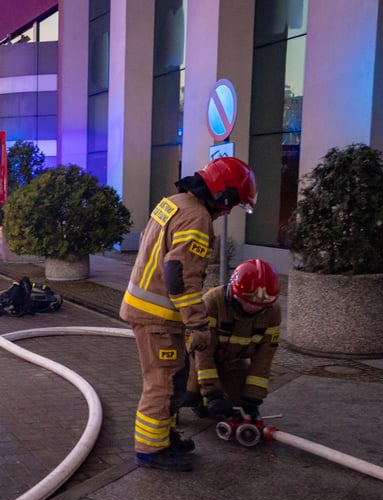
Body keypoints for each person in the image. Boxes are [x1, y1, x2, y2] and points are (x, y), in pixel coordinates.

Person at [118, 157, 257, 471]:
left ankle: (164, 437)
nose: (228, 211)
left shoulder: (175, 202)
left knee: (175, 378)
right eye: (232, 204)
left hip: (151, 310)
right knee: (163, 383)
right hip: (159, 317)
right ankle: (151, 450)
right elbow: (180, 274)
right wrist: (198, 324)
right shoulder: (197, 217)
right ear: (223, 195)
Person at [187, 259, 282, 421]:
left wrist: (252, 399)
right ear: (234, 292)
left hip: (233, 361)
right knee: (190, 394)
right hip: (195, 357)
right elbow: (204, 353)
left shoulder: (272, 312)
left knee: (237, 405)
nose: (255, 308)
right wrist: (212, 394)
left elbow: (263, 359)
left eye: (262, 304)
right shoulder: (213, 302)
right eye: (249, 302)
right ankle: (187, 401)